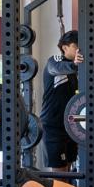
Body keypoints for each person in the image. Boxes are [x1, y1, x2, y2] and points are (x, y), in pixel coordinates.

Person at [39, 30, 82, 170]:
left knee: (68, 172)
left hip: (70, 126)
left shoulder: (78, 70)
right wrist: (74, 65)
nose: (79, 51)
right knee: (59, 174)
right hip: (53, 126)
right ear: (65, 47)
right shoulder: (55, 61)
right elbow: (55, 68)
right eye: (76, 46)